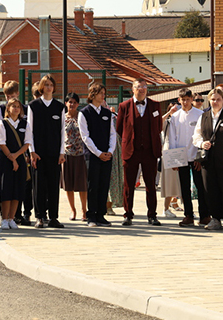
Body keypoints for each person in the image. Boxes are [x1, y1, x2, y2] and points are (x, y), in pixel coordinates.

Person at [116, 79, 162, 226]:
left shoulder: (155, 105)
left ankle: (152, 215)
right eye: (138, 87)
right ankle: (128, 215)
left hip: (150, 151)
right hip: (131, 151)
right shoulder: (124, 106)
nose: (141, 90)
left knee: (151, 185)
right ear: (133, 89)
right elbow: (119, 128)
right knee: (128, 185)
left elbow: (159, 126)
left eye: (144, 87)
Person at [192, 88, 223, 231]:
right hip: (208, 160)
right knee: (210, 189)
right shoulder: (203, 116)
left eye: (218, 99)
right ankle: (215, 218)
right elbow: (196, 136)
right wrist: (201, 144)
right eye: (212, 99)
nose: (215, 102)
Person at [26, 75, 66, 229]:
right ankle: (40, 217)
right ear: (41, 87)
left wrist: (61, 153)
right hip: (38, 154)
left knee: (53, 186)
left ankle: (53, 217)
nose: (49, 87)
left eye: (51, 85)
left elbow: (62, 132)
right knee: (39, 186)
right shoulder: (33, 106)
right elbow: (29, 130)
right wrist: (32, 151)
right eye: (46, 85)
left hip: (54, 154)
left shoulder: (59, 107)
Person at [163, 88, 206, 227]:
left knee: (200, 186)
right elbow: (172, 138)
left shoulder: (200, 114)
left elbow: (203, 136)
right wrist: (174, 160)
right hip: (181, 158)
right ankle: (188, 215)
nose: (185, 102)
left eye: (188, 99)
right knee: (184, 187)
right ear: (179, 100)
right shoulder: (175, 117)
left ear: (192, 99)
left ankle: (205, 215)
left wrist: (199, 157)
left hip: (196, 157)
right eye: (183, 100)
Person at [79, 84, 116, 227]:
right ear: (92, 94)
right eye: (100, 93)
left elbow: (112, 134)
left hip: (107, 155)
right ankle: (91, 216)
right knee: (92, 185)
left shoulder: (107, 113)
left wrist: (110, 151)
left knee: (104, 184)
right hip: (92, 155)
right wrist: (98, 153)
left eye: (104, 93)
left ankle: (101, 215)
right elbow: (85, 136)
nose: (103, 96)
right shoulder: (84, 113)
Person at [0, 98, 30, 229]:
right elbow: (1, 143)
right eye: (13, 106)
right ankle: (4, 218)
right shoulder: (2, 124)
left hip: (19, 158)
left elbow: (27, 143)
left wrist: (16, 156)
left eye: (18, 106)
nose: (16, 109)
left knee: (18, 189)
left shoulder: (25, 124)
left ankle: (12, 218)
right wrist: (12, 158)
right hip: (6, 159)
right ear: (8, 109)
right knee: (6, 188)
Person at [61, 92, 87, 221]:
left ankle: (84, 210)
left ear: (78, 104)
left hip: (80, 154)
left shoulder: (81, 117)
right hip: (66, 155)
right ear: (66, 103)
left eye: (74, 102)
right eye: (70, 102)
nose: (72, 104)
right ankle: (73, 209)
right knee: (68, 184)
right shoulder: (62, 118)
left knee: (82, 185)